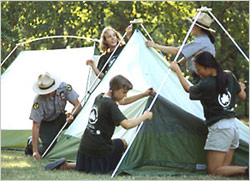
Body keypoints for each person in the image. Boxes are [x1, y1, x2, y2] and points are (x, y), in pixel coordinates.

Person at [45, 75, 154, 174]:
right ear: (115, 90)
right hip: (99, 151)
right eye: (124, 92)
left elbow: (122, 101)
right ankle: (114, 166)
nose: (125, 95)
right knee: (123, 143)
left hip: (84, 148)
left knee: (91, 162)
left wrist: (143, 94)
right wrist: (145, 116)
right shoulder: (110, 105)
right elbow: (127, 124)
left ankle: (66, 166)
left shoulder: (100, 97)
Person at [169, 51, 248, 176]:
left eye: (199, 69)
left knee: (214, 172)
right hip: (233, 127)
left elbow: (188, 89)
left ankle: (246, 170)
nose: (197, 73)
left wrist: (178, 71)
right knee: (222, 170)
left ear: (208, 67)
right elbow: (243, 95)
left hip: (220, 129)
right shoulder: (229, 76)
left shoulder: (207, 84)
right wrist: (241, 87)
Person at [146, 12, 216, 83]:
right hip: (204, 76)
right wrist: (178, 63)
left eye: (192, 25)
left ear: (198, 28)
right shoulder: (204, 40)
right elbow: (188, 53)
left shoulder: (200, 41)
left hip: (202, 77)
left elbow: (177, 51)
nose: (190, 27)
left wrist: (155, 46)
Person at [26, 72, 82, 159]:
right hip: (46, 123)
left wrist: (71, 115)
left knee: (80, 119)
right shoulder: (38, 101)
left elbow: (78, 105)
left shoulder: (65, 88)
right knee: (47, 150)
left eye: (48, 91)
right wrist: (35, 151)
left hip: (61, 117)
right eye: (44, 91)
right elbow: (36, 125)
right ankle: (31, 144)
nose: (46, 94)